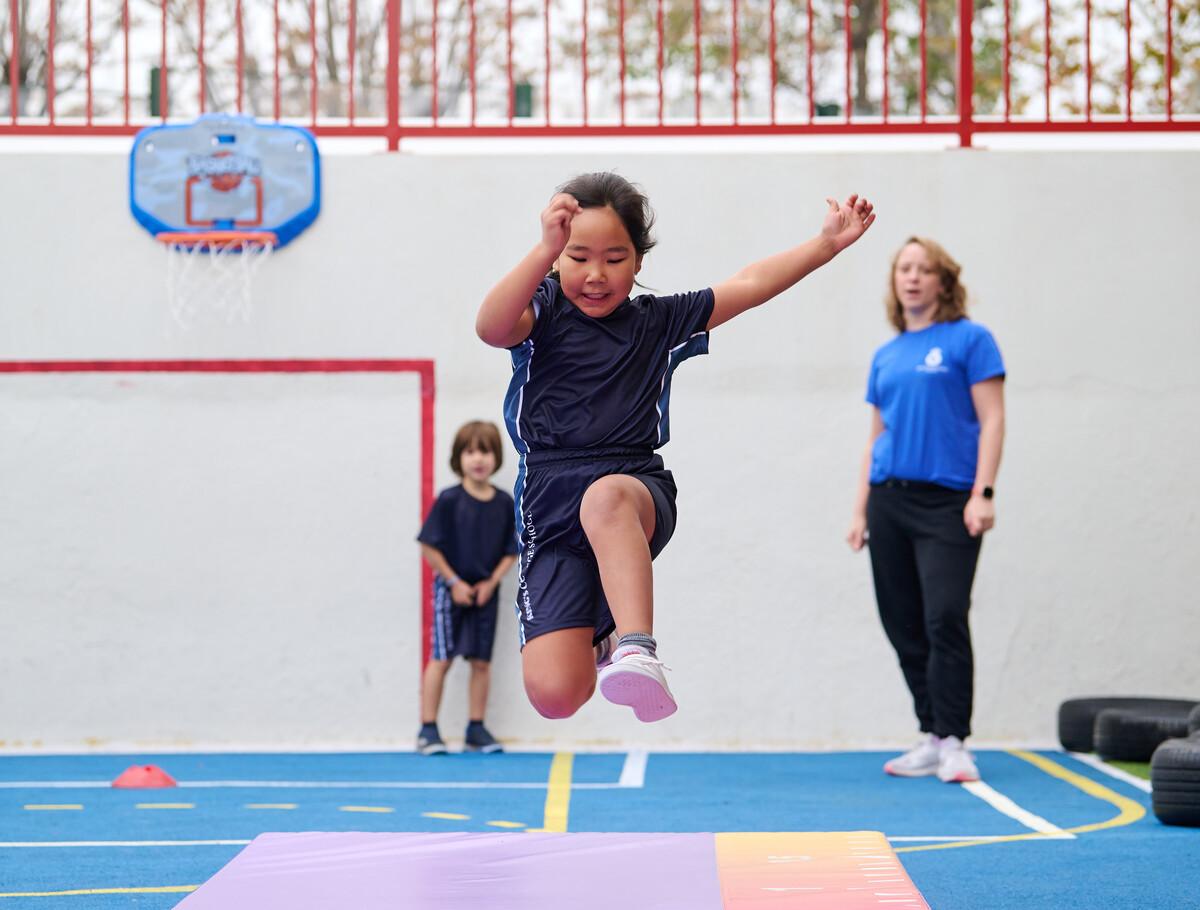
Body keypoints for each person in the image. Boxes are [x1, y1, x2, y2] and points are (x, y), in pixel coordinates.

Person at [476, 171, 875, 724]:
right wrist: (543, 249)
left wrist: (826, 243)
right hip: (547, 502)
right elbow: (491, 327)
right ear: (556, 259)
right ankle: (599, 630)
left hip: (631, 487)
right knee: (555, 695)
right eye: (577, 256)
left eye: (615, 259)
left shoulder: (657, 321)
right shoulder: (540, 311)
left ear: (639, 261)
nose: (596, 275)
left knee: (605, 500)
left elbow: (749, 284)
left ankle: (636, 646)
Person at [846, 237, 1005, 783]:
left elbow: (993, 419)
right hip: (890, 500)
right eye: (903, 269)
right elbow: (875, 436)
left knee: (944, 616)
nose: (912, 278)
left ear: (944, 280)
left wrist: (983, 493)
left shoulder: (971, 340)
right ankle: (932, 734)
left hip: (949, 504)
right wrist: (860, 510)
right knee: (903, 624)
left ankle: (957, 740)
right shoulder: (886, 355)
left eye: (924, 269)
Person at [416, 420, 518, 755]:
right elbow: (430, 546)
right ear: (458, 457)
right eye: (470, 451)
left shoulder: (504, 503)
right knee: (442, 658)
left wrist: (491, 582)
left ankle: (476, 729)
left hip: (485, 594)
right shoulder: (448, 500)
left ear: (496, 457)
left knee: (481, 663)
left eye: (485, 451)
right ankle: (428, 729)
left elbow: (511, 550)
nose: (478, 459)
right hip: (452, 592)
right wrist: (454, 581)